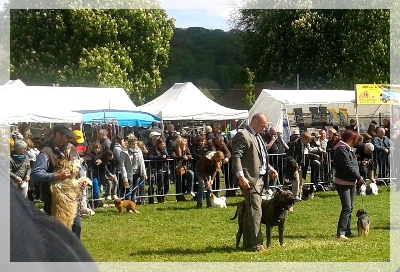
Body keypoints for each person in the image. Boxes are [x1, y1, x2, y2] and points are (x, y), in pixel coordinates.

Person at [9, 178, 98, 266]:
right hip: (54, 203)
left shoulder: (74, 166)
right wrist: (56, 175)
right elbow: (37, 173)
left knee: (76, 228)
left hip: (71, 205)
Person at [231, 113, 278, 252]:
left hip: (261, 179)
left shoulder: (258, 136)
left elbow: (260, 158)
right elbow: (236, 156)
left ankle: (247, 243)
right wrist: (241, 176)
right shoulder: (243, 135)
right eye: (263, 126)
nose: (264, 129)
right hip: (249, 179)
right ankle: (257, 245)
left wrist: (269, 168)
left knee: (249, 210)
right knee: (256, 210)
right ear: (255, 121)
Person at [30, 124, 83, 238]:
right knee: (58, 232)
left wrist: (81, 180)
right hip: (54, 201)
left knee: (76, 226)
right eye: (67, 137)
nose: (69, 141)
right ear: (57, 135)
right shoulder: (46, 152)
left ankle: (74, 254)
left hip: (71, 198)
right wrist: (56, 176)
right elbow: (35, 174)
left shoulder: (71, 148)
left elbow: (79, 166)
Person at [332, 129, 363, 240]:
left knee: (350, 208)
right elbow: (347, 167)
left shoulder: (347, 149)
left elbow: (353, 165)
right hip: (343, 183)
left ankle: (347, 231)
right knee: (346, 208)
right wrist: (358, 177)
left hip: (351, 182)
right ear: (351, 139)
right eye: (355, 140)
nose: (356, 142)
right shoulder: (341, 150)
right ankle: (340, 233)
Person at [120, 135, 148, 206]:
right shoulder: (124, 152)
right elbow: (122, 166)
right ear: (129, 144)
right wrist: (125, 178)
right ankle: (127, 206)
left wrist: (144, 173)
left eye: (135, 143)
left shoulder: (139, 151)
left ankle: (133, 206)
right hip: (128, 175)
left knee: (134, 191)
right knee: (128, 190)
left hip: (137, 173)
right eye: (133, 144)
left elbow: (142, 162)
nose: (134, 145)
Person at [170, 137, 195, 202]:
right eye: (182, 144)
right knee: (179, 183)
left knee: (191, 174)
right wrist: (181, 157)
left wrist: (187, 156)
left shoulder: (186, 149)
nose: (184, 145)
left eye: (184, 144)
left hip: (184, 168)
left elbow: (190, 155)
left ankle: (189, 189)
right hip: (176, 169)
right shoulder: (174, 149)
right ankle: (179, 198)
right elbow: (173, 156)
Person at [147, 138, 170, 204]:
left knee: (162, 185)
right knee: (152, 186)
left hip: (162, 169)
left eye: (164, 144)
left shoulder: (164, 150)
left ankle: (160, 198)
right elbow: (149, 157)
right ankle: (151, 200)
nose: (163, 146)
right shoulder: (152, 150)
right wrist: (159, 157)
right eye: (162, 144)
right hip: (153, 169)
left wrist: (167, 157)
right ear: (158, 144)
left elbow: (167, 156)